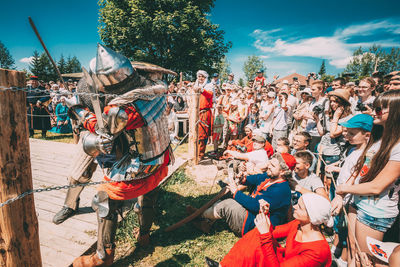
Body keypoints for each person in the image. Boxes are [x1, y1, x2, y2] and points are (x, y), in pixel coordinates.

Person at [51, 45, 173, 267]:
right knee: (150, 193)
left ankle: (103, 256)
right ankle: (144, 236)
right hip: (160, 157)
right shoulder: (158, 90)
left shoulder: (121, 108)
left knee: (104, 199)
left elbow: (100, 128)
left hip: (137, 163)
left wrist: (75, 108)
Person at [335, 90, 400, 266]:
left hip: (375, 211)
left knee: (368, 261)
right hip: (358, 202)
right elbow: (360, 168)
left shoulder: (398, 146)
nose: (373, 112)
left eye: (379, 109)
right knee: (354, 252)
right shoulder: (380, 138)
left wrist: (342, 189)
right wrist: (342, 194)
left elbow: (377, 187)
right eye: (374, 107)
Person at [192, 153, 294, 237]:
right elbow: (255, 178)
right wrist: (243, 178)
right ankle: (205, 221)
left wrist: (236, 192)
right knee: (227, 194)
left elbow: (255, 206)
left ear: (283, 172)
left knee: (228, 204)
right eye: (270, 163)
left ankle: (200, 215)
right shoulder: (270, 177)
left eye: (273, 166)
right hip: (252, 215)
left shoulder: (282, 190)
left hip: (256, 226)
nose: (268, 166)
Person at [219, 193, 332, 267]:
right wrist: (265, 215)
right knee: (257, 235)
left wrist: (265, 234)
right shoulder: (299, 224)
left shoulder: (317, 251)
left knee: (262, 238)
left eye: (300, 207)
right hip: (283, 262)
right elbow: (274, 232)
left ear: (312, 217)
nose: (295, 206)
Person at [329, 114, 374, 266]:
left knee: (351, 239)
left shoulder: (366, 154)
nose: (346, 135)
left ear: (367, 135)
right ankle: (343, 259)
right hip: (344, 197)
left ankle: (344, 260)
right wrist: (337, 168)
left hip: (350, 199)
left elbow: (358, 177)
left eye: (352, 133)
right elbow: (351, 171)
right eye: (346, 131)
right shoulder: (354, 149)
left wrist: (343, 195)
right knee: (345, 233)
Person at [194, 70, 214, 160]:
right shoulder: (195, 86)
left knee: (202, 134)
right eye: (199, 76)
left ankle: (200, 155)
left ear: (205, 78)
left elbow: (210, 95)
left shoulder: (209, 86)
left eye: (202, 77)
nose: (200, 78)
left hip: (204, 112)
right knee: (195, 134)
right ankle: (194, 152)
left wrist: (202, 90)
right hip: (195, 112)